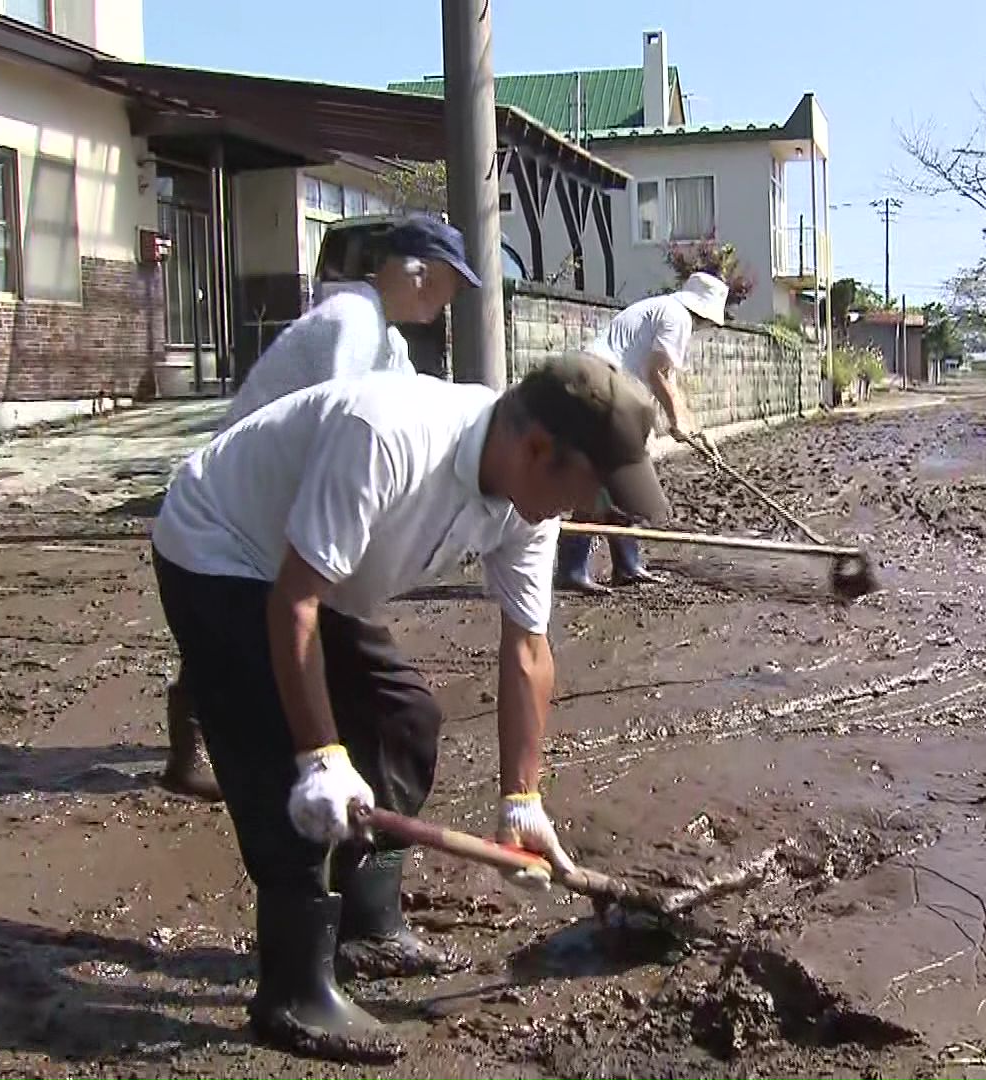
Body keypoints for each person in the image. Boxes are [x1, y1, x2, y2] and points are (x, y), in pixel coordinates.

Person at [150, 356, 669, 1063]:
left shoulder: (528, 501)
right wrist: (321, 759)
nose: (590, 512)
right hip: (223, 548)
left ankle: (365, 922)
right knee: (282, 767)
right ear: (538, 449)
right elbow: (292, 603)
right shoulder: (388, 436)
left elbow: (527, 648)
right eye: (590, 489)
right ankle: (294, 992)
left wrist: (522, 800)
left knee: (404, 721)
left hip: (313, 573)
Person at [160, 215, 477, 803]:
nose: (451, 296)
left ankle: (208, 740)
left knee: (251, 624)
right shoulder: (350, 321)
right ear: (414, 273)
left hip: (281, 488)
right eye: (447, 282)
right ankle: (224, 748)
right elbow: (346, 435)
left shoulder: (388, 339)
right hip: (248, 492)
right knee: (250, 624)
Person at [555, 270, 729, 594]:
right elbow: (656, 375)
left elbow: (670, 385)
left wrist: (698, 433)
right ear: (703, 313)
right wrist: (677, 423)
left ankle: (624, 564)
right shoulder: (678, 317)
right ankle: (574, 567)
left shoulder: (665, 312)